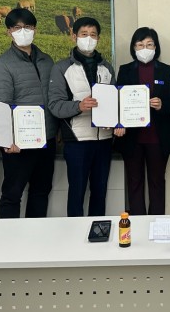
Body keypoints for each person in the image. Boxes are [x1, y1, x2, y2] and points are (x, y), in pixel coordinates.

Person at [0, 8, 56, 218]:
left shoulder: (47, 60)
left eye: (27, 27)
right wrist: (7, 140)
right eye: (17, 27)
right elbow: (1, 105)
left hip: (46, 138)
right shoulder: (2, 64)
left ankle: (35, 234)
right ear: (9, 31)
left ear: (35, 29)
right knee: (12, 193)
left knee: (41, 190)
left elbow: (54, 98)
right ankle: (9, 236)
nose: (23, 31)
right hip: (18, 144)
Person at [48, 17, 115, 217]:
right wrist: (79, 106)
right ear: (74, 36)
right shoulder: (61, 68)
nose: (89, 39)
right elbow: (55, 105)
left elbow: (115, 102)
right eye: (84, 34)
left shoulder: (107, 68)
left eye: (93, 35)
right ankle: (75, 232)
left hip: (104, 140)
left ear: (99, 38)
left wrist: (118, 122)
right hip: (77, 140)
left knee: (100, 192)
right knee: (77, 192)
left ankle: (99, 230)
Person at [115, 27, 170, 215]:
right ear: (133, 47)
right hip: (132, 137)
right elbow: (117, 101)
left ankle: (157, 222)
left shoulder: (166, 70)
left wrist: (162, 105)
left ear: (156, 47)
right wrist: (119, 123)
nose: (145, 48)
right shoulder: (125, 70)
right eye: (140, 44)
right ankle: (137, 222)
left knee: (157, 181)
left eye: (149, 44)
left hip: (158, 137)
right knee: (134, 182)